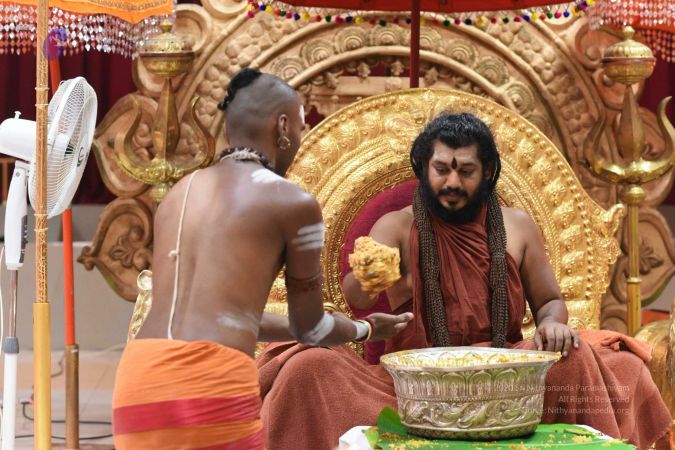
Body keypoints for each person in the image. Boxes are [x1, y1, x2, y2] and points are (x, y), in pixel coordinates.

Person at [256, 112, 671, 450]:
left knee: (588, 360)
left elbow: (549, 301)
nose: (452, 182)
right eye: (441, 169)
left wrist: (551, 324)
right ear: (424, 168)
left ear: (487, 172)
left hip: (506, 380)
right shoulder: (396, 227)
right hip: (409, 389)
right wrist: (369, 275)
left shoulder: (517, 226)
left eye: (466, 171)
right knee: (307, 367)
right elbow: (355, 297)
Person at [111, 68, 413, 450]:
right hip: (210, 382)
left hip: (138, 378)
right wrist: (365, 329)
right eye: (301, 128)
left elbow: (233, 317)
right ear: (282, 126)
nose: (300, 139)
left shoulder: (179, 193)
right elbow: (310, 329)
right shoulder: (292, 202)